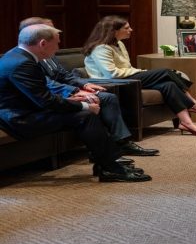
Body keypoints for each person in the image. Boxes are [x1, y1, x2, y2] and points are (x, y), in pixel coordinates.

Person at [0, 24, 150, 182]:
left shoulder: (18, 56)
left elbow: (39, 95)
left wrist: (71, 100)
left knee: (89, 111)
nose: (58, 48)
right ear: (43, 43)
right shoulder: (23, 64)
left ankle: (107, 164)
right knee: (86, 116)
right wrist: (84, 105)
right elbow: (46, 101)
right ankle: (110, 168)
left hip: (28, 110)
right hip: (20, 119)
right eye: (57, 43)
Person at [18, 17, 158, 158]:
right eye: (51, 30)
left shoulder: (48, 54)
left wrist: (84, 84)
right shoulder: (26, 59)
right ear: (36, 33)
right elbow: (47, 83)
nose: (57, 34)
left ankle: (120, 143)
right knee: (99, 100)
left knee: (108, 97)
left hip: (62, 90)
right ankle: (107, 152)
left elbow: (64, 75)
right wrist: (75, 91)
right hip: (51, 96)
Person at [82, 16, 196, 137]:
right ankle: (194, 104)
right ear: (114, 31)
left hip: (126, 78)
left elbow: (126, 67)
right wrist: (138, 72)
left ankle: (186, 123)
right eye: (126, 28)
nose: (131, 30)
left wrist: (138, 71)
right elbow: (111, 73)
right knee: (166, 72)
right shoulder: (101, 48)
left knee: (168, 84)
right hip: (113, 82)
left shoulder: (119, 44)